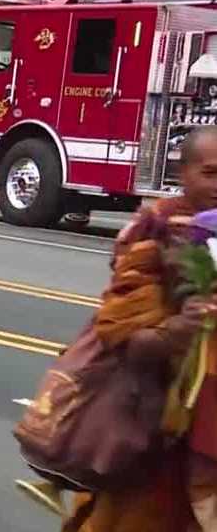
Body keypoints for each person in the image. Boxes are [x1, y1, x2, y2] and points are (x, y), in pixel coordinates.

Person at [59, 127, 217, 532]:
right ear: (183, 173)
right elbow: (121, 333)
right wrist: (178, 329)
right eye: (211, 173)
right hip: (154, 425)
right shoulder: (157, 229)